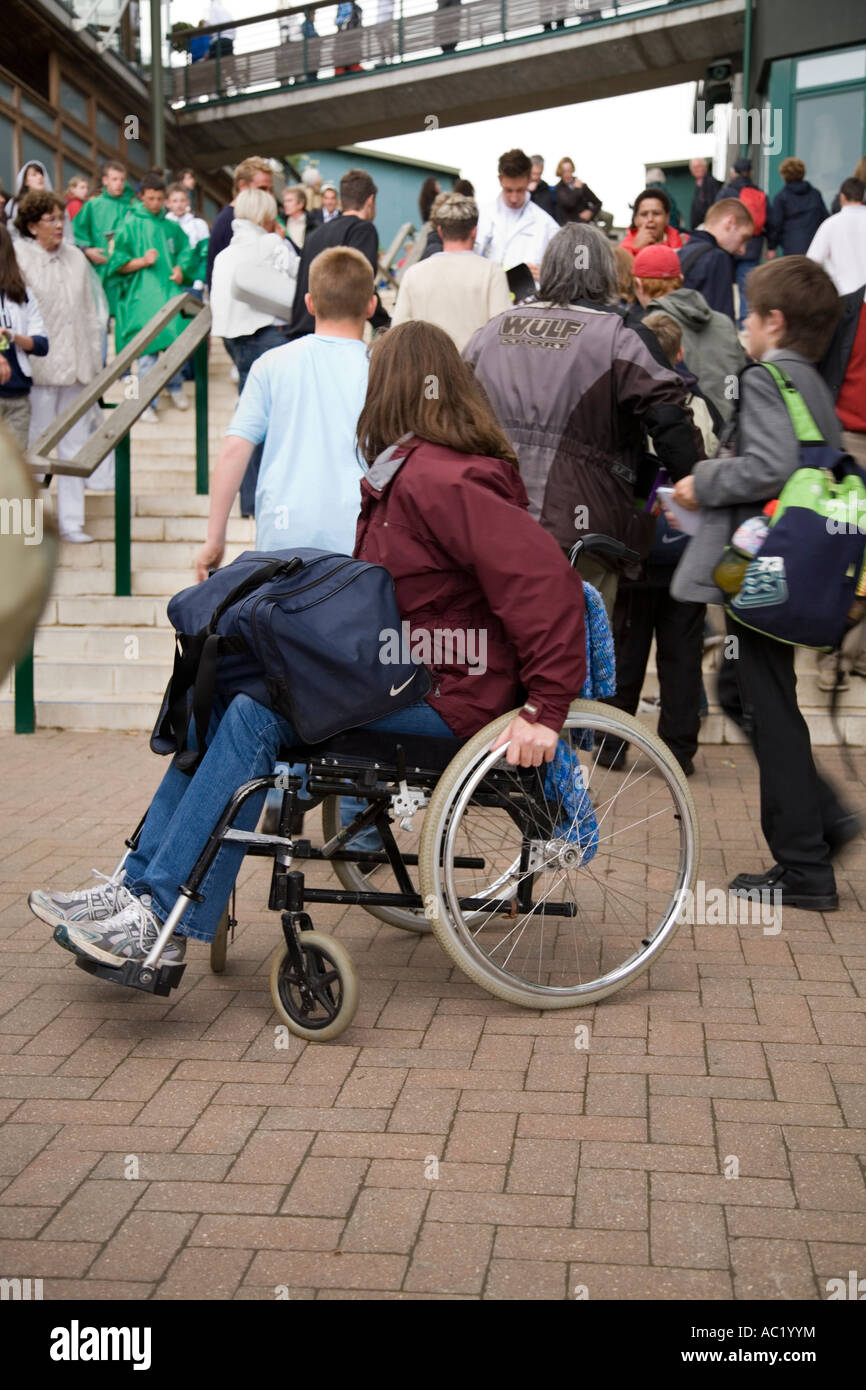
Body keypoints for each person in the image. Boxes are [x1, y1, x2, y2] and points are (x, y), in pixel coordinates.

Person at [31, 320, 587, 967]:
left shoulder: (446, 479)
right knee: (228, 693)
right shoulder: (408, 474)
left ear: (390, 390)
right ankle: (135, 890)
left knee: (256, 711)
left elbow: (545, 585)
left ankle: (161, 915)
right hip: (412, 673)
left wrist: (546, 708)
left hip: (456, 695)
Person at [669, 256, 858, 910]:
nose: (744, 324)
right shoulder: (811, 382)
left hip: (760, 577)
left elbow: (771, 465)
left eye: (750, 313)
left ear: (774, 323)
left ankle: (804, 864)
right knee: (745, 691)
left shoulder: (765, 377)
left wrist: (704, 480)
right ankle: (822, 821)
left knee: (764, 704)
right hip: (793, 573)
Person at [464, 222, 702, 615]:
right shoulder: (621, 337)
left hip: (493, 526)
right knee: (580, 662)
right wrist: (693, 478)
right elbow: (669, 412)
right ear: (605, 275)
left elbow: (451, 415)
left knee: (501, 656)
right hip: (582, 540)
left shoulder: (490, 333)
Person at [200, 246, 372, 577]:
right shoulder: (382, 368)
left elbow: (235, 448)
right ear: (371, 304)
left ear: (308, 303)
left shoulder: (271, 364)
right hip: (360, 532)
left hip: (284, 534)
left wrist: (214, 538)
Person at [602, 310, 715, 777]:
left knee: (626, 646)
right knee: (682, 653)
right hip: (687, 547)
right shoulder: (700, 405)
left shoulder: (626, 403)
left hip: (635, 545)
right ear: (681, 353)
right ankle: (679, 749)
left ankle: (612, 745)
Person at [14, 190, 104, 543]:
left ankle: (71, 523)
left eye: (60, 218)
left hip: (79, 366)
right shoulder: (21, 258)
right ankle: (31, 527)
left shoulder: (76, 258)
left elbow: (89, 312)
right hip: (39, 369)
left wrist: (96, 362)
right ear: (33, 225)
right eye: (50, 219)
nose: (58, 225)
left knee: (75, 448)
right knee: (36, 448)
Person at [210, 187, 298, 517]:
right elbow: (297, 275)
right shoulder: (270, 244)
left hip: (235, 341)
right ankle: (271, 497)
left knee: (249, 418)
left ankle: (250, 500)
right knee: (278, 420)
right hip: (268, 335)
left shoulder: (224, 255)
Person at [107, 172, 197, 423]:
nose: (155, 203)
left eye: (159, 199)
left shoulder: (171, 226)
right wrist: (141, 261)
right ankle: (145, 403)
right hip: (141, 297)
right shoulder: (130, 225)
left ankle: (176, 387)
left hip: (168, 294)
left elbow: (186, 252)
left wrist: (181, 269)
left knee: (174, 347)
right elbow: (116, 264)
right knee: (147, 352)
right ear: (141, 197)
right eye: (150, 198)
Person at [815, 279, 866, 693]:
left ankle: (856, 653)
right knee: (844, 546)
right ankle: (830, 658)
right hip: (847, 444)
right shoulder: (844, 309)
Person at [631, 243, 746, 422]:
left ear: (638, 284)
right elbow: (738, 377)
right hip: (729, 435)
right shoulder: (724, 322)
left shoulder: (649, 330)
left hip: (689, 436)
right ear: (681, 278)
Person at [391, 192, 511, 351]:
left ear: (440, 231)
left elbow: (398, 333)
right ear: (474, 231)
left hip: (428, 370)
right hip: (472, 371)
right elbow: (502, 334)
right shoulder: (491, 272)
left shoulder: (413, 274)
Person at [288, 168, 390, 339]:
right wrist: (385, 323)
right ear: (370, 200)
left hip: (303, 333)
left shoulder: (314, 235)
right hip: (335, 335)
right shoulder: (362, 230)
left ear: (342, 200)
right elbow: (361, 283)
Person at [0, 222, 49, 451]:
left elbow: (41, 344)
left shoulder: (22, 293)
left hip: (17, 394)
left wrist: (12, 336)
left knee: (13, 474)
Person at [475, 149, 559, 280]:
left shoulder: (547, 225)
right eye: (508, 190)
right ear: (500, 179)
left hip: (529, 300)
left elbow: (561, 271)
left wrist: (547, 274)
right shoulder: (481, 216)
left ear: (529, 180)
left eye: (520, 190)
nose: (514, 198)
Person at [206, 157, 279, 292]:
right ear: (243, 186)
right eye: (262, 188)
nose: (268, 195)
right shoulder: (229, 220)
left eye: (270, 189)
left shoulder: (250, 218)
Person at [73, 161, 134, 323]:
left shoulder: (133, 208)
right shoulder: (93, 205)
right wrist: (87, 250)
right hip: (100, 273)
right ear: (105, 180)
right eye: (114, 179)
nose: (119, 184)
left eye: (122, 180)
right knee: (100, 322)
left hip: (127, 276)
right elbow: (76, 232)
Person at [677, 197, 754, 322]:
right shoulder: (718, 258)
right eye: (743, 238)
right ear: (730, 223)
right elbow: (723, 322)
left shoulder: (684, 251)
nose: (743, 250)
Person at [714, 157, 769, 328]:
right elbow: (770, 220)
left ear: (734, 172)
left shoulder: (726, 192)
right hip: (752, 246)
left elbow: (716, 215)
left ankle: (726, 324)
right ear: (751, 172)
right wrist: (772, 245)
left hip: (727, 246)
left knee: (723, 286)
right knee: (747, 287)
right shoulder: (759, 193)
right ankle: (746, 326)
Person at [806, 178, 866, 295]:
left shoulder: (830, 224)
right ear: (863, 197)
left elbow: (812, 261)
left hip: (842, 295)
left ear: (842, 197)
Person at [766, 158, 828, 258]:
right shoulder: (815, 194)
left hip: (791, 248)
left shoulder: (781, 197)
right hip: (815, 246)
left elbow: (776, 225)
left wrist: (772, 247)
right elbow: (824, 218)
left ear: (784, 175)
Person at [165, 182, 209, 290]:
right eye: (175, 201)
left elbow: (205, 256)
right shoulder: (163, 226)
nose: (179, 205)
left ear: (188, 201)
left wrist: (199, 281)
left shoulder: (199, 225)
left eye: (182, 200)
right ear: (167, 203)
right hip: (167, 284)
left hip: (192, 285)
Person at [620, 187, 686, 256]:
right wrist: (636, 250)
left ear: (667, 217)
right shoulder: (623, 252)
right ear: (635, 220)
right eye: (644, 214)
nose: (650, 219)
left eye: (656, 213)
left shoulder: (684, 242)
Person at [399, 176, 441, 278]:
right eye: (438, 184)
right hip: (430, 228)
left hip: (426, 227)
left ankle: (402, 276)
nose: (440, 186)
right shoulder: (435, 201)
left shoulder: (423, 200)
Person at [551, 157, 601, 226]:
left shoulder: (581, 185)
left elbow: (597, 202)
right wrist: (577, 189)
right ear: (560, 172)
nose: (567, 174)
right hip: (568, 225)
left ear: (572, 170)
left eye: (569, 170)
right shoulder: (558, 188)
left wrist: (590, 212)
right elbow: (569, 204)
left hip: (583, 224)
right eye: (564, 171)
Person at [688, 157, 722, 231]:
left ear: (705, 167)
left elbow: (714, 205)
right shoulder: (699, 184)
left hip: (707, 226)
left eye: (699, 166)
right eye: (694, 167)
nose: (696, 169)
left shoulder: (711, 183)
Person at [282, 184, 314, 250]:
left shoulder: (313, 224)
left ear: (300, 204)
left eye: (289, 201)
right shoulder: (281, 222)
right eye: (284, 201)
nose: (285, 204)